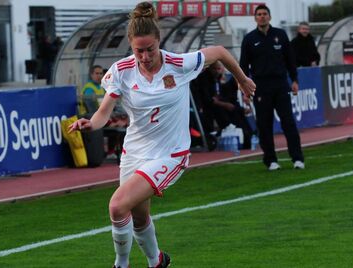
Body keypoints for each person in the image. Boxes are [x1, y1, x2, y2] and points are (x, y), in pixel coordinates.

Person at [68, 2, 255, 268]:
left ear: (159, 42)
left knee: (116, 206)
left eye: (150, 49)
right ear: (131, 47)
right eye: (138, 51)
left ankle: (121, 264)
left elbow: (220, 51)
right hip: (134, 154)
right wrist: (91, 123)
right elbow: (104, 111)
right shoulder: (122, 71)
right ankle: (157, 262)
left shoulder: (178, 64)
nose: (144, 56)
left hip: (170, 154)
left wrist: (241, 79)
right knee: (139, 217)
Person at [240, 4, 305, 171]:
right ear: (255, 18)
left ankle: (297, 159)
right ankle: (271, 160)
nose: (262, 16)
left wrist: (295, 80)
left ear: (269, 17)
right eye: (259, 14)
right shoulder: (249, 39)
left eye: (264, 14)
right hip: (260, 87)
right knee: (264, 125)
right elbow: (243, 67)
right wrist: (245, 90)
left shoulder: (280, 35)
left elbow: (291, 60)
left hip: (280, 84)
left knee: (288, 122)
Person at [192, 61, 253, 149]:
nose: (217, 71)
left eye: (219, 69)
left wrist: (221, 101)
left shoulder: (218, 78)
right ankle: (223, 132)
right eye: (215, 69)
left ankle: (245, 134)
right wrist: (223, 103)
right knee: (227, 109)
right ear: (210, 69)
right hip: (205, 106)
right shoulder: (204, 79)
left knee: (236, 109)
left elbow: (217, 96)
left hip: (216, 104)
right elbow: (208, 99)